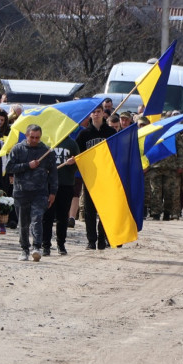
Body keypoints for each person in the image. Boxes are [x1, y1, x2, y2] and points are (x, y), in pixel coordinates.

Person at [5, 124, 57, 262]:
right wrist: (28, 165)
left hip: (40, 192)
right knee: (23, 223)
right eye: (32, 137)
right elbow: (9, 167)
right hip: (21, 192)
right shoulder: (18, 149)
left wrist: (53, 192)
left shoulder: (47, 151)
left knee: (37, 219)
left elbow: (53, 174)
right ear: (27, 135)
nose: (34, 140)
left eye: (37, 137)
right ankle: (24, 249)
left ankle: (37, 247)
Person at [76, 103, 116, 249]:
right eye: (94, 112)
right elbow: (77, 153)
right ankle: (91, 240)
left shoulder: (111, 132)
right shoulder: (84, 134)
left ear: (103, 113)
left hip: (107, 175)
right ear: (90, 115)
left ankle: (102, 238)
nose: (96, 114)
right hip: (91, 177)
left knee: (105, 209)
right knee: (90, 210)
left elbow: (116, 152)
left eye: (99, 111)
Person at [43, 135, 78, 255]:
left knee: (62, 217)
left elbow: (78, 163)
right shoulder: (47, 141)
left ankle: (61, 244)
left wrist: (73, 163)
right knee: (47, 216)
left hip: (66, 184)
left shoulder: (72, 144)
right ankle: (45, 245)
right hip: (48, 184)